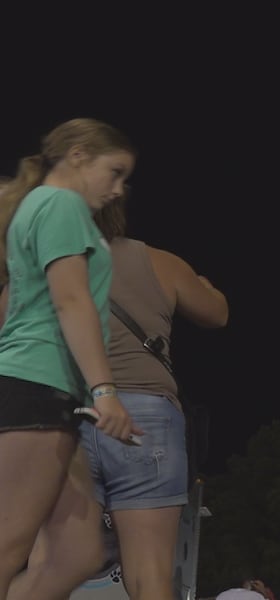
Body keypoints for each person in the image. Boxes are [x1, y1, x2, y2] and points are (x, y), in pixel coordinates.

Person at [21, 193, 229, 599]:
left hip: (65, 419)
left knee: (46, 566)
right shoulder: (160, 262)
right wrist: (202, 285)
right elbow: (217, 314)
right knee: (149, 575)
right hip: (145, 418)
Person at [0, 118, 141, 600]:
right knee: (8, 544)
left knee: (77, 554)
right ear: (78, 155)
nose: (118, 189)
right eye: (115, 172)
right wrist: (106, 390)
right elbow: (72, 301)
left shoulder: (40, 204)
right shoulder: (61, 203)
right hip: (35, 383)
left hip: (49, 391)